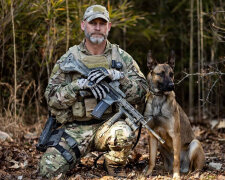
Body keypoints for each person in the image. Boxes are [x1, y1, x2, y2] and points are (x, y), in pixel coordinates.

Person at [39, 4, 148, 178]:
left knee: (125, 134)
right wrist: (78, 86)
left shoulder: (121, 57)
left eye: (102, 23)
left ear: (108, 27)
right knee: (46, 171)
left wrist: (119, 77)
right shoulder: (69, 59)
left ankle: (113, 164)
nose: (97, 28)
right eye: (93, 23)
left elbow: (143, 91)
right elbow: (51, 98)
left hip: (109, 126)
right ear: (83, 25)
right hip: (75, 129)